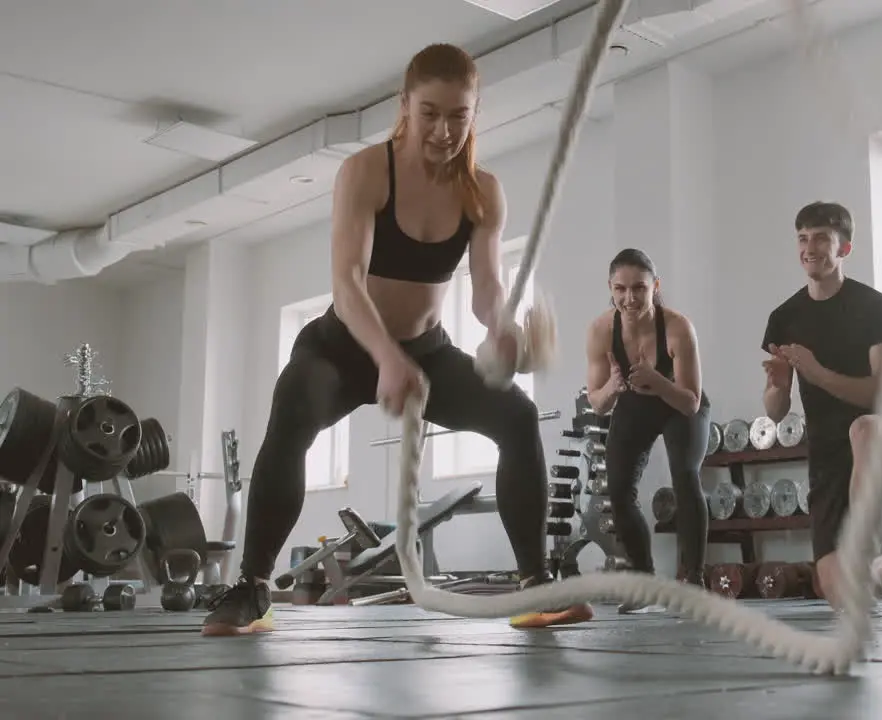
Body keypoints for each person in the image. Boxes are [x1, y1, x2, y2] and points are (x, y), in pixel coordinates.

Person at [202, 43, 592, 636]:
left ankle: (533, 583)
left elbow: (487, 290)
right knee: (294, 404)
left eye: (458, 116)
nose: (443, 130)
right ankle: (253, 586)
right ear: (404, 105)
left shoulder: (483, 191)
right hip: (342, 346)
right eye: (429, 113)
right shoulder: (366, 171)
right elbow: (346, 280)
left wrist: (506, 332)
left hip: (428, 351)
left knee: (517, 415)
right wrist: (385, 357)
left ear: (475, 112)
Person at [761, 201, 882, 610]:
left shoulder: (875, 308)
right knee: (840, 589)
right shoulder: (785, 317)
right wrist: (778, 388)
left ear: (845, 248)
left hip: (879, 439)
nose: (809, 247)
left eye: (821, 238)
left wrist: (815, 372)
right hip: (827, 457)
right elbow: (776, 413)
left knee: (863, 429)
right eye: (802, 238)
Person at [585, 249, 711, 610]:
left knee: (685, 475)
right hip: (633, 405)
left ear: (655, 286)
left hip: (678, 402)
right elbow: (598, 403)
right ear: (610, 288)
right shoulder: (599, 330)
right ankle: (645, 580)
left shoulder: (677, 326)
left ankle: (694, 579)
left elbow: (690, 402)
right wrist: (613, 386)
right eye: (620, 289)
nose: (629, 298)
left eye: (639, 288)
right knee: (619, 489)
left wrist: (657, 380)